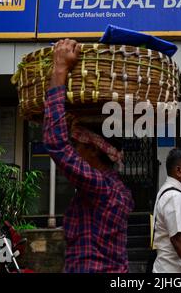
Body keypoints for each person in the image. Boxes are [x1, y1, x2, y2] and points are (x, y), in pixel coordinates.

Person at [43, 39, 134, 273]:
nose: (74, 150)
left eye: (78, 144)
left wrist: (60, 69)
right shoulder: (117, 189)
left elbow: (56, 143)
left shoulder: (99, 186)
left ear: (94, 149)